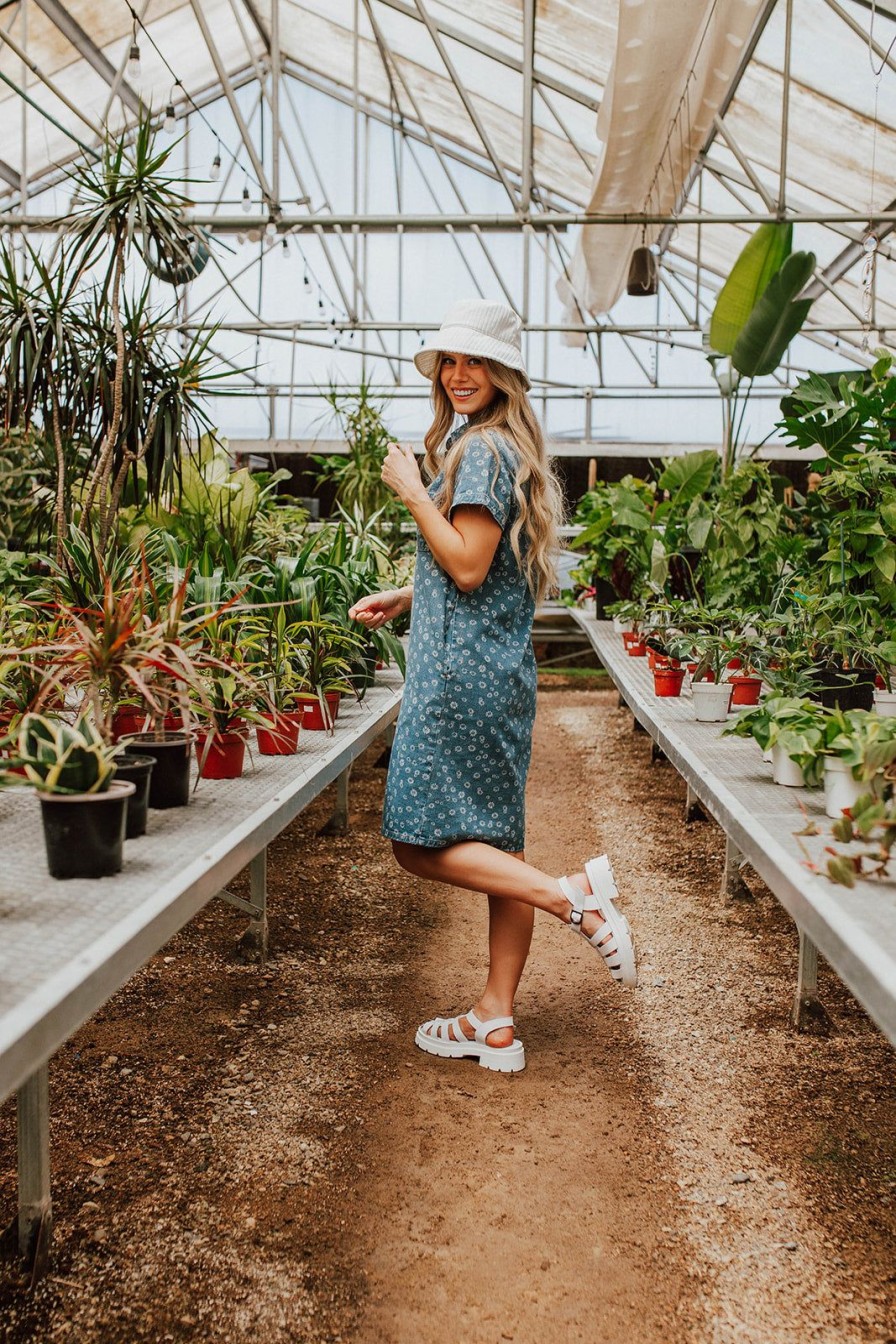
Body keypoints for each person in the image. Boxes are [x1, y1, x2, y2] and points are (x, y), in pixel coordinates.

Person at [349, 299, 637, 1074]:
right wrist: (411, 594)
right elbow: (486, 570)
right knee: (496, 844)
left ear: (503, 373)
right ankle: (495, 1021)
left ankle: (572, 896)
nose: (459, 373)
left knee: (416, 841)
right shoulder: (504, 449)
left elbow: (469, 564)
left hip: (456, 678)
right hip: (497, 672)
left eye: (475, 360)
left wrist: (410, 488)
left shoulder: (475, 452)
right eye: (450, 360)